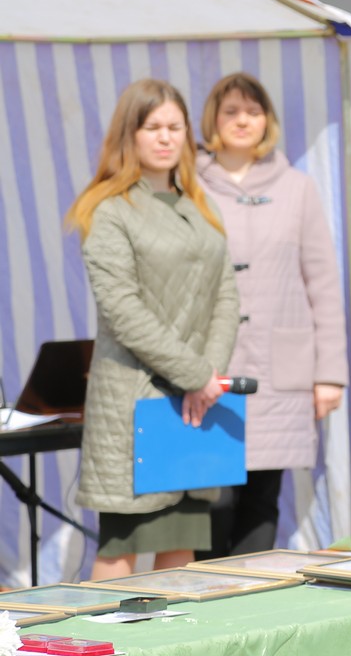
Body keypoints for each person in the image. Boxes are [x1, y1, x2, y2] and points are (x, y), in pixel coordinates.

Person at [66, 78, 240, 580]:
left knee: (181, 543)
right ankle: (101, 636)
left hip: (196, 401)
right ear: (130, 134)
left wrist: (210, 376)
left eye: (175, 127)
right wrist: (197, 375)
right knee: (123, 545)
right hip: (134, 401)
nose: (165, 137)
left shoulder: (199, 205)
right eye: (152, 126)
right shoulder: (108, 209)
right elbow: (122, 310)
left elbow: (226, 296)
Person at [195, 72, 348, 557]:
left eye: (253, 111)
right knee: (211, 495)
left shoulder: (296, 187)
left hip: (279, 369)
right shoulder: (189, 185)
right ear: (213, 120)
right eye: (231, 111)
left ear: (268, 121)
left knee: (262, 498)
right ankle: (207, 595)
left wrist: (329, 375)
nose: (243, 121)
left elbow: (323, 283)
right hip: (211, 365)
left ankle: (251, 594)